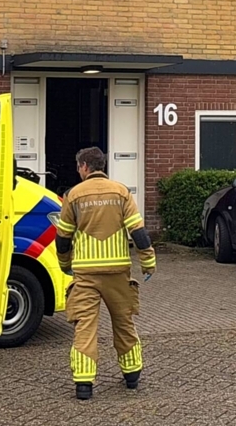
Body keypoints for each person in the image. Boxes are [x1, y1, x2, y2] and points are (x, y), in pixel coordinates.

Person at [55, 147, 156, 401]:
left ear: (85, 167)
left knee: (85, 328)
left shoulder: (74, 195)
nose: (78, 171)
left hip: (86, 274)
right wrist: (148, 261)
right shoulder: (121, 192)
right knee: (124, 323)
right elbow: (139, 232)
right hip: (118, 273)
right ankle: (132, 376)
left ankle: (84, 384)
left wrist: (64, 264)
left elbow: (63, 237)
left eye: (79, 167)